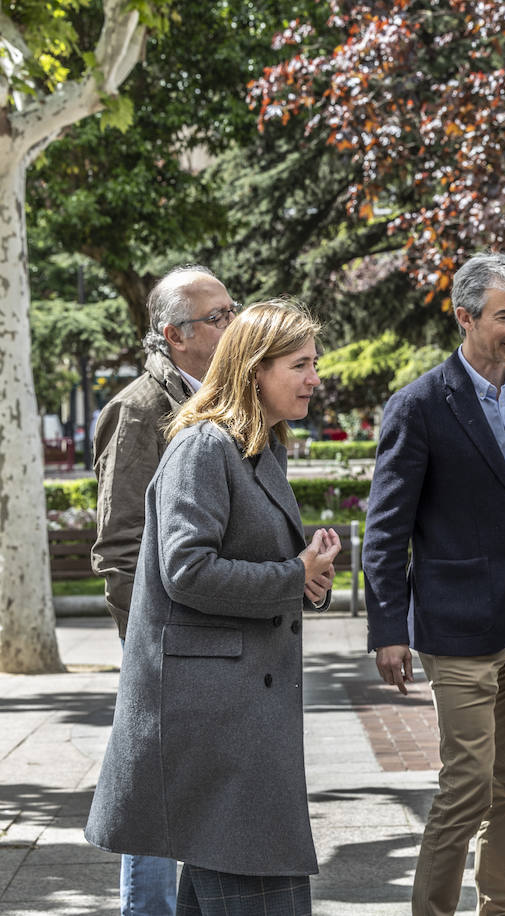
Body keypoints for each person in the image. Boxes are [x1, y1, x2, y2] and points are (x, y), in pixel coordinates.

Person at [85, 300, 340, 915]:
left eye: (314, 363)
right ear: (254, 370)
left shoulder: (260, 445)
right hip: (216, 726)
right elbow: (187, 571)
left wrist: (308, 576)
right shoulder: (204, 446)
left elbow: (256, 561)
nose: (314, 379)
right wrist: (290, 574)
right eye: (300, 365)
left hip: (238, 719)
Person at [363, 253, 505, 916]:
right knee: (467, 787)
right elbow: (385, 530)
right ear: (465, 316)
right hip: (459, 627)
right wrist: (389, 630)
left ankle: (499, 909)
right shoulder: (417, 406)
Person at [90, 266, 237, 916]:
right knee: (153, 806)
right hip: (166, 647)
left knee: (210, 799)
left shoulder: (228, 400)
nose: (232, 325)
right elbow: (119, 546)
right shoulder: (139, 410)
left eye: (232, 310)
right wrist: (147, 648)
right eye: (218, 317)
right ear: (176, 336)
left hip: (223, 642)